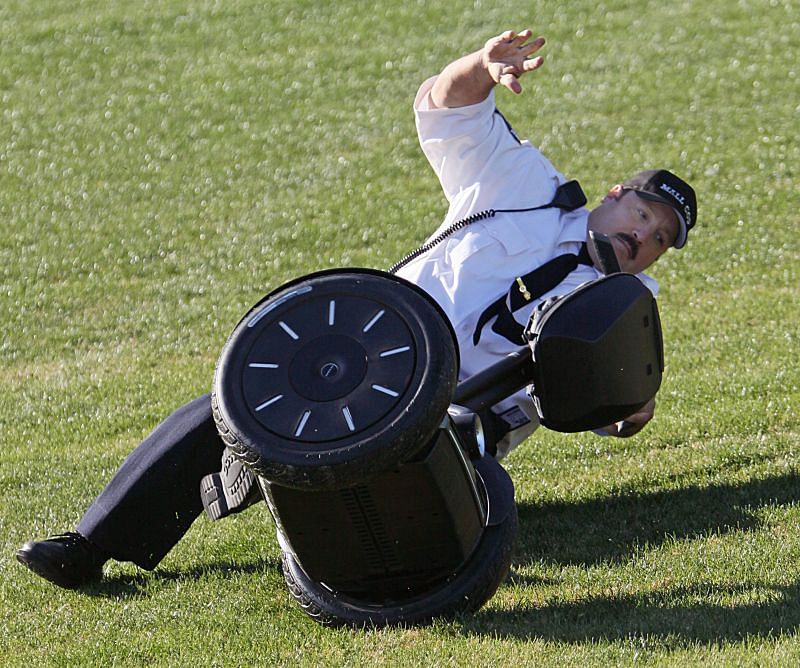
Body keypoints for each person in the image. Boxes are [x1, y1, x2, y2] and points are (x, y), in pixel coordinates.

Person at [16, 28, 697, 590]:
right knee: (221, 408)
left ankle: (318, 527)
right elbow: (444, 108)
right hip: (364, 357)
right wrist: (481, 67)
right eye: (643, 213)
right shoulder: (524, 184)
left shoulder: (625, 309)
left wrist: (631, 406)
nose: (643, 237)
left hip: (451, 428)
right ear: (613, 195)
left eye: (660, 238)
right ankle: (86, 548)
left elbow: (621, 405)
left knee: (374, 506)